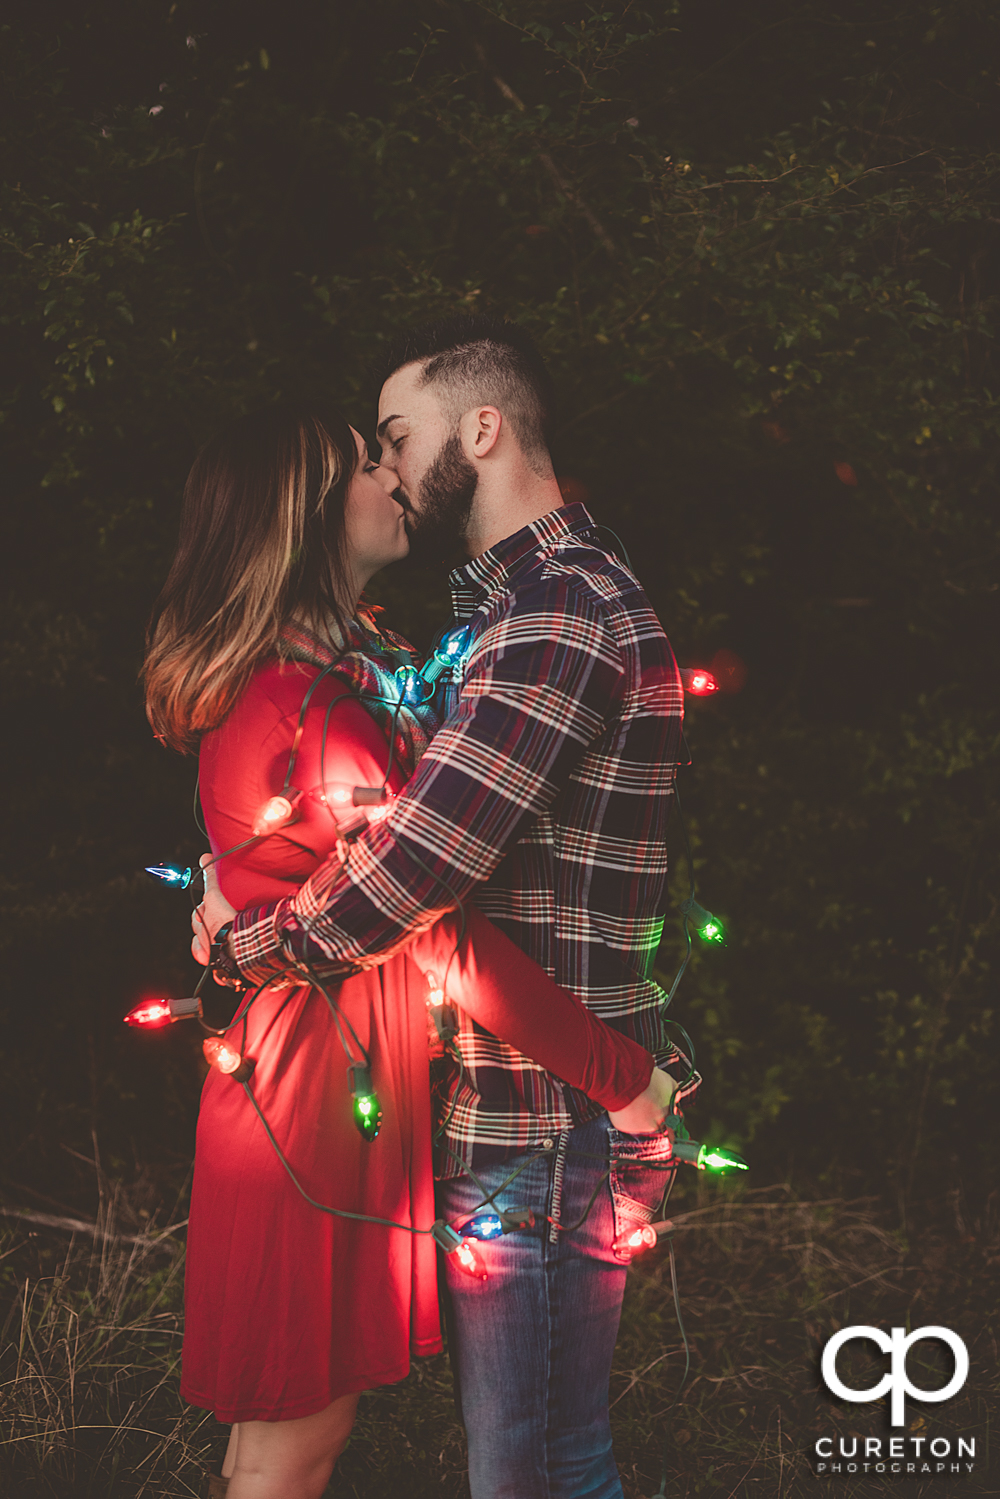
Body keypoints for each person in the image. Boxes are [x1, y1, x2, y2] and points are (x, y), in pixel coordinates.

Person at [196, 316, 699, 1499]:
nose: (392, 466)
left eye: (397, 436)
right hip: (466, 1096)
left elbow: (411, 883)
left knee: (534, 1459)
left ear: (479, 430)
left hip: (539, 1107)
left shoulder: (548, 619)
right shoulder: (485, 625)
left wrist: (246, 940)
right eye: (372, 453)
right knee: (505, 1450)